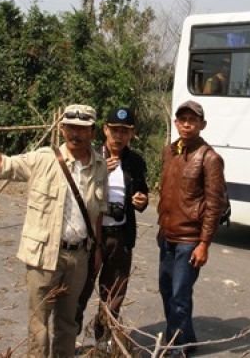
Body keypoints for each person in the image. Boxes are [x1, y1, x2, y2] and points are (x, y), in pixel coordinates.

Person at [0, 104, 108, 358]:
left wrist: (97, 249)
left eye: (81, 129)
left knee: (68, 323)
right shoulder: (44, 159)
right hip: (44, 256)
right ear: (62, 128)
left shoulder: (100, 166)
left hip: (79, 257)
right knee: (39, 325)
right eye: (70, 127)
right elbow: (2, 167)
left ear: (92, 131)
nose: (75, 134)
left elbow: (98, 212)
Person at [75, 107, 149, 348]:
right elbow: (77, 193)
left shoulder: (135, 161)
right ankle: (68, 339)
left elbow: (142, 192)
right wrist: (101, 172)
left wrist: (142, 200)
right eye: (114, 130)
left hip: (121, 237)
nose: (119, 136)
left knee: (114, 293)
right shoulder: (91, 155)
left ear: (131, 134)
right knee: (80, 289)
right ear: (105, 130)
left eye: (124, 132)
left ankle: (102, 342)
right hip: (92, 236)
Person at [157, 100, 227, 355]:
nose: (187, 124)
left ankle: (177, 349)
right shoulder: (170, 151)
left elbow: (214, 205)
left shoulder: (209, 158)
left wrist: (204, 244)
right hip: (167, 237)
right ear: (176, 123)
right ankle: (185, 339)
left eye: (193, 120)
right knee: (167, 292)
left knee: (179, 296)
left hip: (189, 241)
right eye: (182, 120)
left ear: (202, 124)